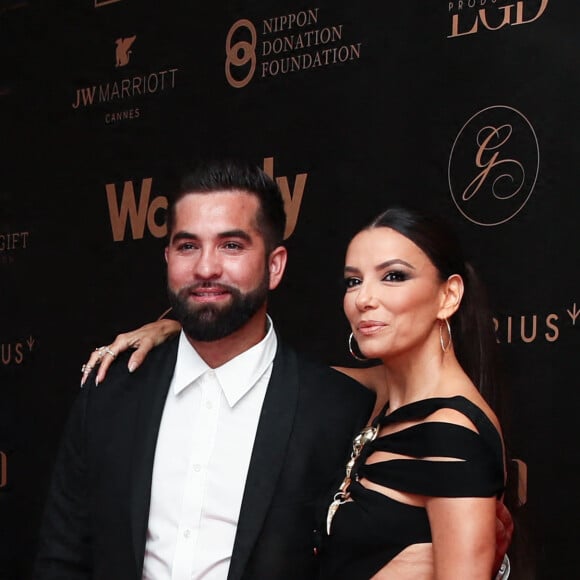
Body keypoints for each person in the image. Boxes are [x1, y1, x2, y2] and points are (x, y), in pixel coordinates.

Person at [45, 160, 512, 579]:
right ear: (168, 259)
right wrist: (166, 327)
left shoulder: (335, 409)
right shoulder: (110, 392)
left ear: (275, 266)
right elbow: (62, 557)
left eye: (231, 245)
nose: (206, 267)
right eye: (188, 246)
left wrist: (483, 559)